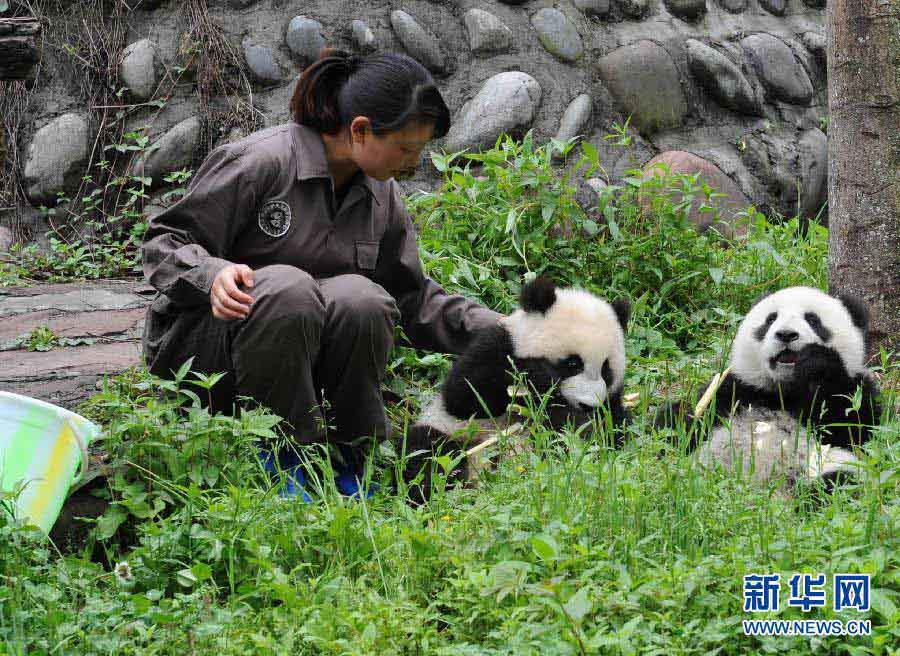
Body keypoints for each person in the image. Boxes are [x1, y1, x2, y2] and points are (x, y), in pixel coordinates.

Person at [140, 49, 501, 487]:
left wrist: (503, 331)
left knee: (362, 298)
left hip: (297, 367)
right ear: (361, 130)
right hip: (205, 358)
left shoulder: (380, 194)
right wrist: (211, 273)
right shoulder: (261, 162)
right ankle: (284, 457)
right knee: (288, 288)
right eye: (406, 148)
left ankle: (352, 455)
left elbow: (411, 296)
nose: (413, 163)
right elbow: (164, 240)